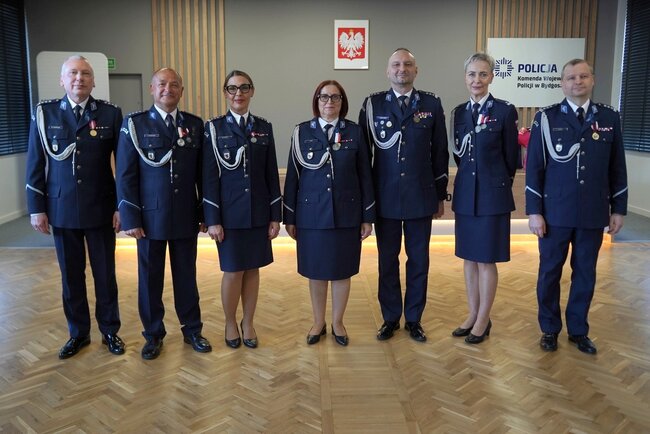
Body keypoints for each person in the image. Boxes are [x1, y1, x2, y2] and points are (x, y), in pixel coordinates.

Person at [25, 55, 125, 359]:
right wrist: (37, 208)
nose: (79, 78)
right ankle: (78, 333)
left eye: (85, 74)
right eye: (72, 73)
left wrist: (121, 207)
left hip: (101, 208)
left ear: (93, 81)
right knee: (71, 276)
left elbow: (122, 166)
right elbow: (35, 162)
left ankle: (110, 330)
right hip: (62, 209)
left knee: (104, 274)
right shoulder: (45, 114)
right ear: (62, 80)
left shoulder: (109, 114)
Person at [526, 59, 628, 355]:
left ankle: (578, 330)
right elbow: (534, 168)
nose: (577, 82)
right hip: (554, 212)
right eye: (571, 77)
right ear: (562, 83)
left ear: (592, 80)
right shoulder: (546, 118)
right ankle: (549, 329)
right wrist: (534, 211)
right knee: (549, 273)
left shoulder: (609, 117)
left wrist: (618, 208)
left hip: (592, 213)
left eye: (583, 76)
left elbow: (617, 167)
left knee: (585, 273)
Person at [116, 68, 212, 360]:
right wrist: (131, 218)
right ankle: (153, 334)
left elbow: (203, 175)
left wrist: (205, 213)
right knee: (149, 280)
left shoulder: (194, 125)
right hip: (149, 219)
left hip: (185, 215)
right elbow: (125, 175)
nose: (167, 89)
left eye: (174, 84)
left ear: (181, 90)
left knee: (187, 277)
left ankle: (192, 330)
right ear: (152, 88)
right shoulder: (135, 124)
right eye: (161, 84)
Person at [359, 48, 449, 342]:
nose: (402, 69)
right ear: (388, 71)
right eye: (396, 64)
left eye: (408, 64)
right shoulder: (372, 105)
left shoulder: (431, 104)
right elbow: (363, 157)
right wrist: (366, 203)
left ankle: (414, 318)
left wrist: (439, 195)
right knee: (387, 261)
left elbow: (440, 152)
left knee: (419, 260)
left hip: (420, 197)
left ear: (416, 70)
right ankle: (389, 317)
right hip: (385, 197)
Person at [284, 80, 375, 346]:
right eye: (324, 97)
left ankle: (338, 322)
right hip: (311, 215)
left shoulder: (355, 132)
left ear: (342, 102)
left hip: (346, 214)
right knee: (316, 271)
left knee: (342, 271)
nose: (329, 102)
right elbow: (293, 177)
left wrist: (367, 217)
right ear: (316, 101)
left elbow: (365, 176)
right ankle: (318, 322)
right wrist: (289, 217)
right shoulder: (301, 132)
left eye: (335, 97)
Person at [203, 70, 282, 349]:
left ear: (252, 91)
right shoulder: (214, 128)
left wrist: (275, 216)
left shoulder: (264, 127)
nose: (239, 93)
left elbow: (271, 174)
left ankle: (248, 323)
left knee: (252, 270)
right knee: (233, 271)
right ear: (225, 93)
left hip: (258, 213)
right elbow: (209, 177)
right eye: (233, 88)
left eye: (244, 88)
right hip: (229, 215)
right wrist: (212, 219)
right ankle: (229, 322)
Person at [450, 53, 519, 344]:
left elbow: (511, 158)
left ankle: (483, 319)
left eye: (482, 74)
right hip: (466, 194)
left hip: (492, 196)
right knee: (469, 258)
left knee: (486, 261)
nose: (476, 80)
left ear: (491, 76)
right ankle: (473, 313)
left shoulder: (504, 111)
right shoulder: (458, 113)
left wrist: (494, 185)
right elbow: (459, 154)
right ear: (465, 77)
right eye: (471, 74)